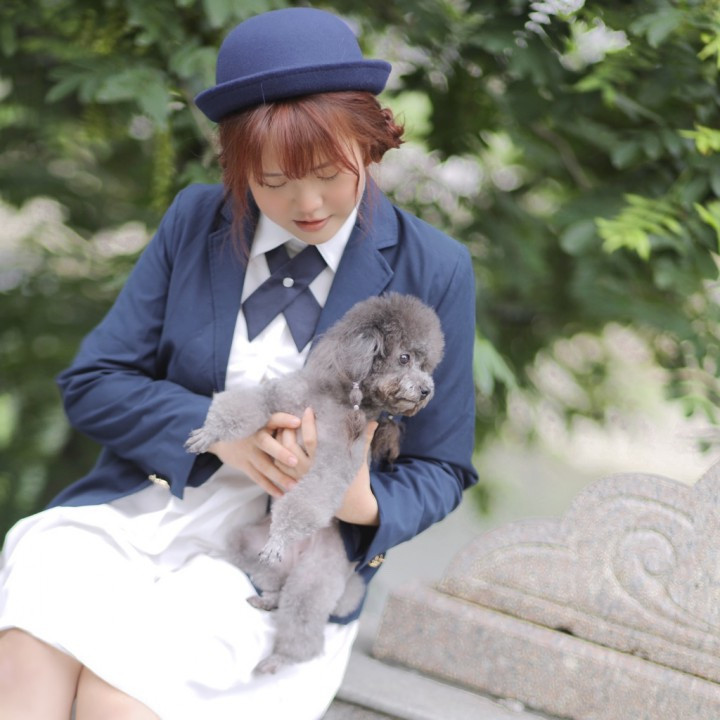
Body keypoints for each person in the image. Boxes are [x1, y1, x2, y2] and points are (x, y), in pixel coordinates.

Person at [0, 7, 477, 719]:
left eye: (329, 174)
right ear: (237, 167)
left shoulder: (434, 265)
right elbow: (94, 383)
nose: (306, 204)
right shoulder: (196, 221)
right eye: (274, 181)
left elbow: (442, 467)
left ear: (370, 143)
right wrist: (220, 436)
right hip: (145, 511)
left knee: (115, 696)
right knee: (36, 619)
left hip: (281, 556)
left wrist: (356, 499)